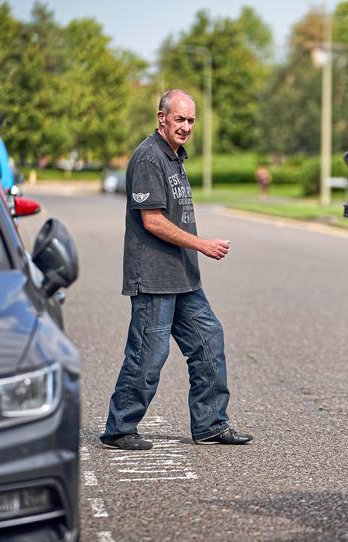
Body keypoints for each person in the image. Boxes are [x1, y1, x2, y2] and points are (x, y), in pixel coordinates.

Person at [100, 89, 252, 450]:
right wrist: (202, 244)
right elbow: (152, 221)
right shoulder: (149, 158)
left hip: (182, 277)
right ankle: (119, 428)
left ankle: (211, 425)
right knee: (149, 354)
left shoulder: (173, 157)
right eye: (179, 119)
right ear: (161, 118)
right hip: (153, 277)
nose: (185, 126)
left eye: (191, 120)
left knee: (208, 339)